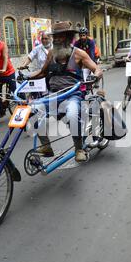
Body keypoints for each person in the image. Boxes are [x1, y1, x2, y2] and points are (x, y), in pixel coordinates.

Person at [27, 21, 103, 162]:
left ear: (68, 38)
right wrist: (26, 76)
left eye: (59, 36)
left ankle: (79, 148)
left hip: (72, 95)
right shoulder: (51, 53)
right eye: (54, 37)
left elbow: (97, 69)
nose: (55, 39)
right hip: (53, 95)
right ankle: (46, 146)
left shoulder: (79, 54)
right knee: (31, 111)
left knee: (73, 114)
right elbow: (42, 72)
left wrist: (95, 75)